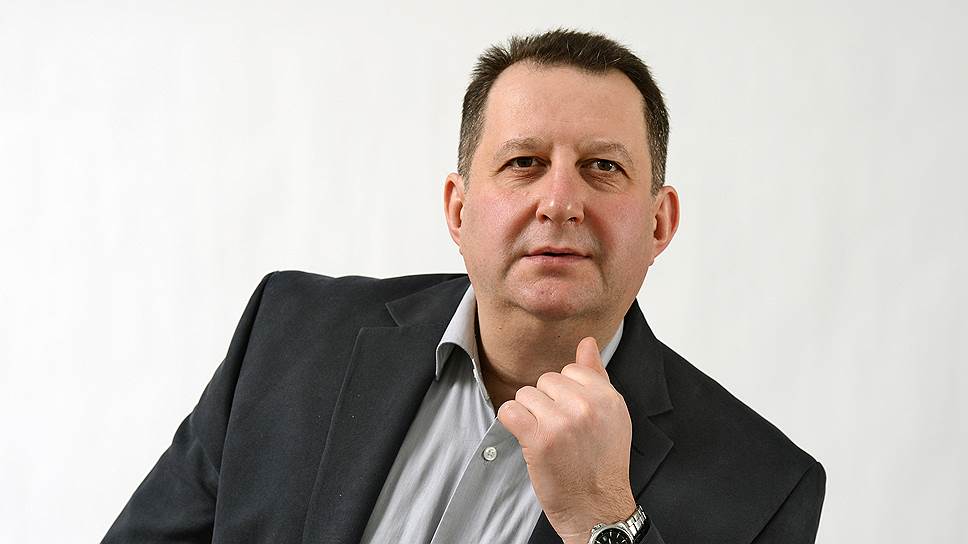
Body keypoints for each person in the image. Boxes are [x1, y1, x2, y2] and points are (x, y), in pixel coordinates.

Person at [103, 29, 825, 544]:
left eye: (603, 167)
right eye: (523, 163)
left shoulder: (763, 488)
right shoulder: (287, 336)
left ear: (660, 223)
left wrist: (605, 520)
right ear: (457, 209)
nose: (559, 202)